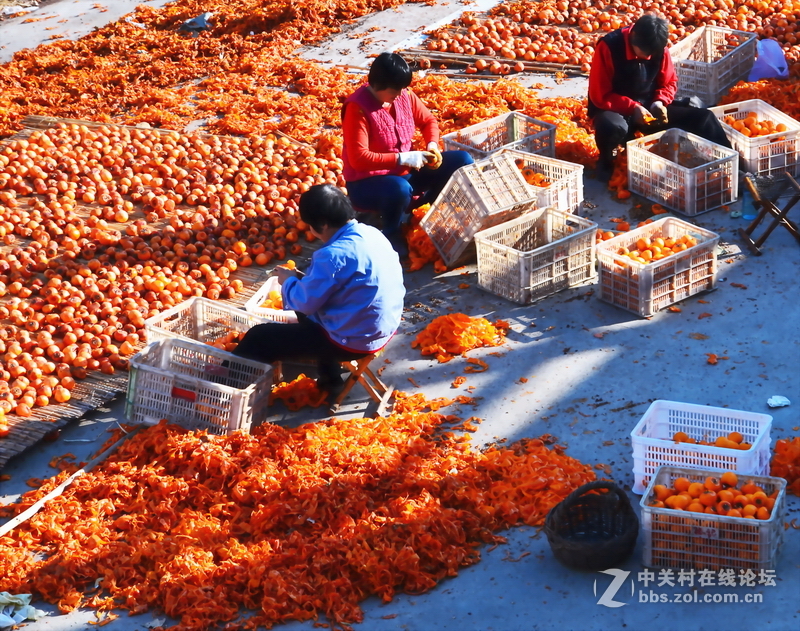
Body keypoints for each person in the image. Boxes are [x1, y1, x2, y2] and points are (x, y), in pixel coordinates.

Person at [231, 184, 405, 396]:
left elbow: (305, 302)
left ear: (322, 224)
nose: (310, 230)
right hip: (385, 325)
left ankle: (222, 389)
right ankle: (329, 380)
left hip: (354, 340)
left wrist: (288, 281)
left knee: (259, 337)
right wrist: (297, 282)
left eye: (310, 226)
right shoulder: (371, 233)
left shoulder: (332, 255)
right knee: (303, 303)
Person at [342, 52, 473, 254]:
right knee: (399, 188)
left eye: (402, 88)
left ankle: (422, 213)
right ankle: (391, 231)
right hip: (368, 183)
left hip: (405, 173)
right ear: (379, 85)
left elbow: (428, 121)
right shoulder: (357, 109)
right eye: (395, 89)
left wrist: (431, 145)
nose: (399, 94)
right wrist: (401, 158)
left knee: (462, 160)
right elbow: (359, 159)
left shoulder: (404, 96)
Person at [588, 14, 732, 181]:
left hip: (649, 106)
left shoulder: (658, 47)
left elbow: (670, 82)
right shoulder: (609, 46)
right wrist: (633, 108)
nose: (648, 57)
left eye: (652, 54)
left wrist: (659, 102)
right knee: (611, 126)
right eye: (644, 53)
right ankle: (606, 160)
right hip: (615, 109)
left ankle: (735, 166)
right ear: (633, 36)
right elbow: (600, 95)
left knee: (704, 117)